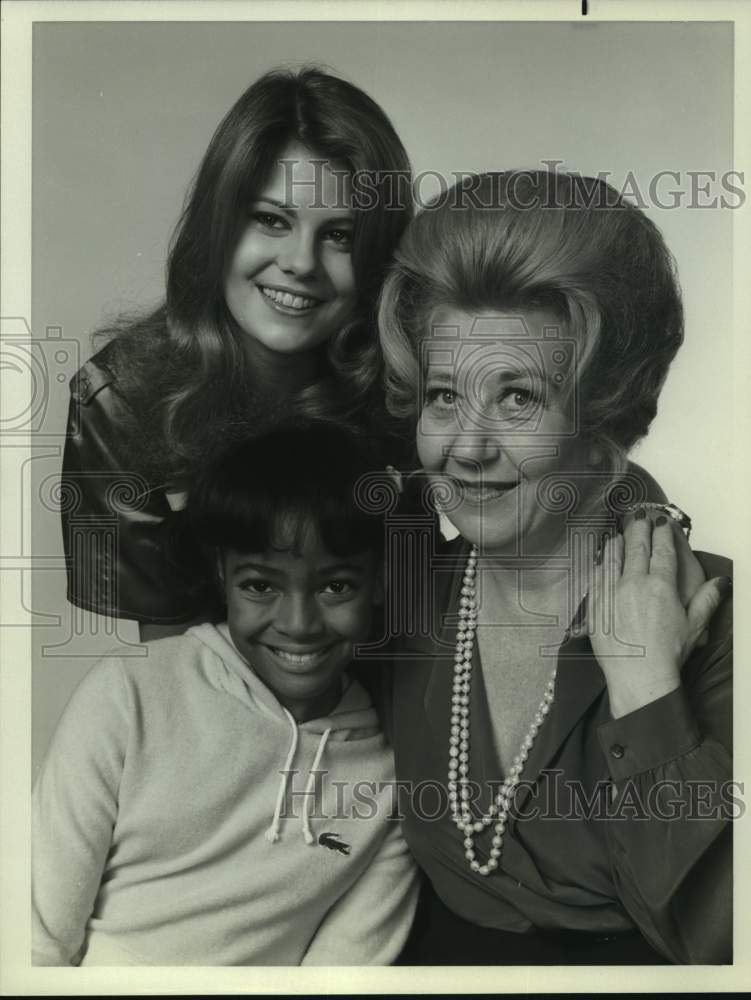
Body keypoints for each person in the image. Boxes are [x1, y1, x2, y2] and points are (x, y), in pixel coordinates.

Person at [375, 170, 733, 965]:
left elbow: (720, 942)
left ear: (603, 416)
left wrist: (646, 689)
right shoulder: (399, 591)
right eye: (442, 396)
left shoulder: (720, 620)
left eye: (516, 399)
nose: (464, 448)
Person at [33, 422, 419, 966]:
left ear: (378, 580)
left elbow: (341, 978)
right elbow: (38, 937)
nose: (299, 623)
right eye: (261, 586)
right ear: (221, 575)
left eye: (336, 586)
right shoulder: (129, 694)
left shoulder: (392, 780)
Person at [60, 67, 413, 638]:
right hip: (212, 706)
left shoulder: (406, 383)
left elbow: (433, 602)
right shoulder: (120, 400)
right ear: (219, 225)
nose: (301, 262)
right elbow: (171, 666)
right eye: (271, 220)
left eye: (341, 235)